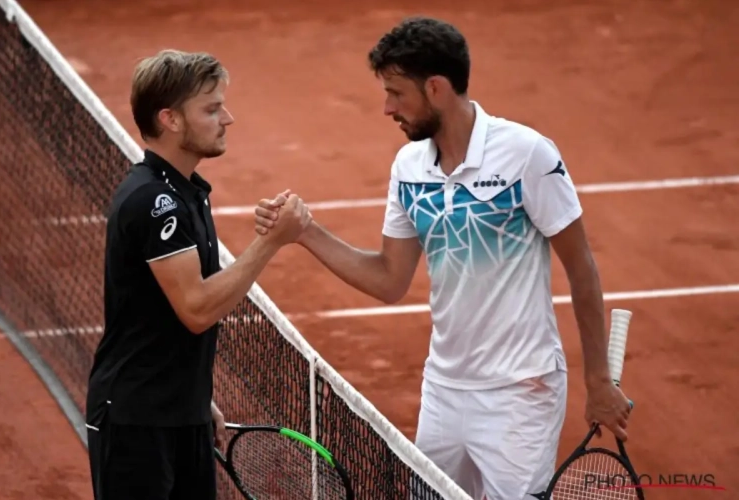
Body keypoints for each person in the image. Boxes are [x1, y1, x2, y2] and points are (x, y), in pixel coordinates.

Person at [254, 17, 632, 500]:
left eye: (396, 93)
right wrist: (305, 232)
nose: (388, 108)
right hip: (445, 389)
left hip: (521, 392)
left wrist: (598, 380)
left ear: (435, 88)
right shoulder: (409, 167)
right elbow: (390, 279)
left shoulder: (525, 155)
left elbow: (581, 268)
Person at [85, 49, 310, 500]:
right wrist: (270, 241)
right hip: (137, 422)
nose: (227, 117)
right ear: (170, 119)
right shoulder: (155, 201)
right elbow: (197, 309)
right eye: (211, 108)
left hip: (179, 412)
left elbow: (168, 315)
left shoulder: (186, 192)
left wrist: (192, 398)